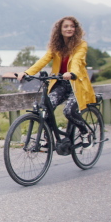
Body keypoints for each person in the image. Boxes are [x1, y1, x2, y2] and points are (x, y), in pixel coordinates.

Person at [16, 16, 96, 146]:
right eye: (66, 26)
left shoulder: (81, 44)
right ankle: (48, 138)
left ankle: (84, 132)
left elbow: (77, 60)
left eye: (72, 26)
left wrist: (72, 73)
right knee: (46, 108)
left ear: (76, 29)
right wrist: (27, 73)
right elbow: (43, 60)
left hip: (76, 84)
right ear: (59, 29)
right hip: (60, 83)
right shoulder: (56, 46)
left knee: (69, 111)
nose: (69, 28)